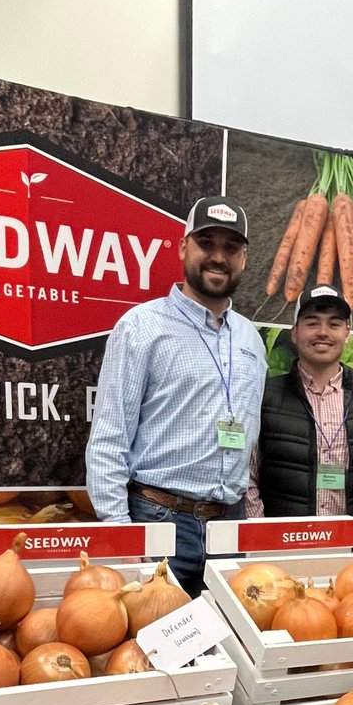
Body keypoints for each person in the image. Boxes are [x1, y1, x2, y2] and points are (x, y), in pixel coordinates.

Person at [85, 197, 267, 596]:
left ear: (244, 258)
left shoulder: (252, 340)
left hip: (229, 528)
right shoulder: (142, 327)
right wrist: (121, 537)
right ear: (184, 247)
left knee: (231, 652)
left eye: (231, 247)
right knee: (153, 651)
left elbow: (251, 443)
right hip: (158, 522)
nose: (218, 257)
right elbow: (109, 436)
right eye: (207, 243)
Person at [245, 284, 353, 518]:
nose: (323, 332)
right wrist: (264, 544)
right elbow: (248, 482)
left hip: (348, 549)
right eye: (312, 322)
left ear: (347, 334)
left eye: (334, 324)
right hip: (282, 548)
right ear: (295, 332)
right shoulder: (265, 398)